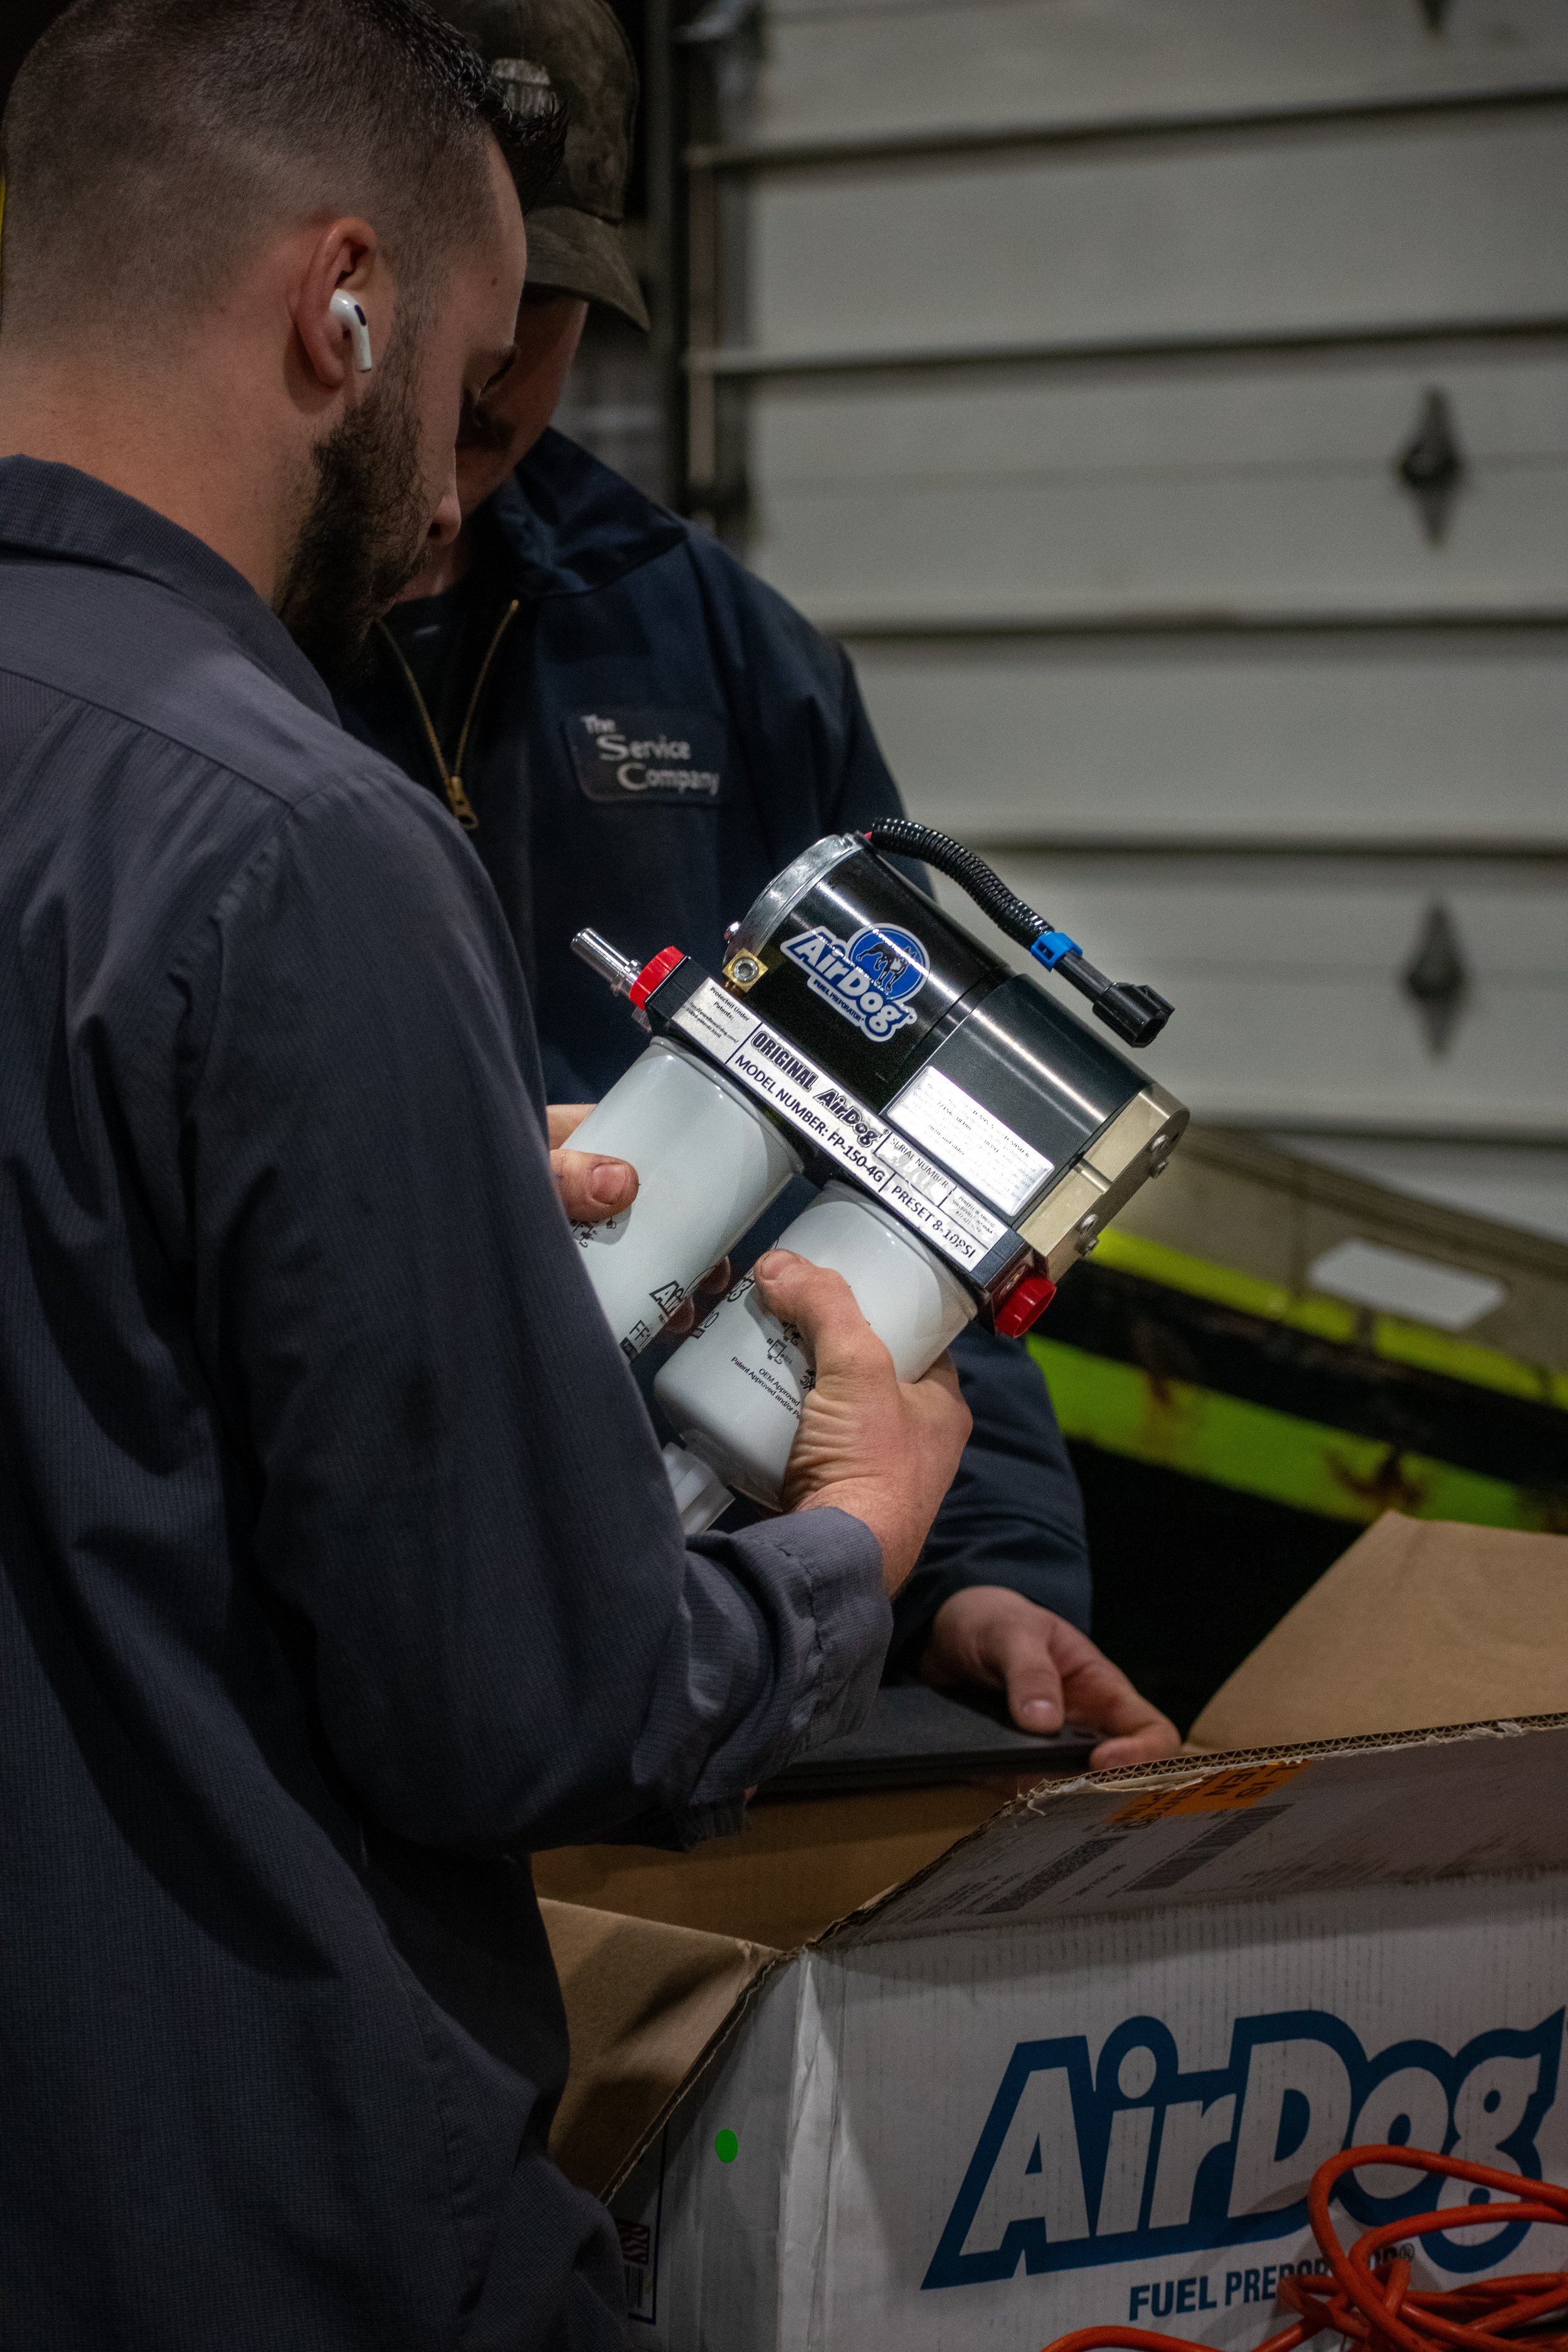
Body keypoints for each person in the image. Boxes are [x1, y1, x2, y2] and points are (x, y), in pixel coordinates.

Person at [0, 3, 972, 2344]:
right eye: (451, 388)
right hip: (246, 2224)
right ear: (339, 307)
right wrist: (859, 1540)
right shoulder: (300, 835)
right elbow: (521, 1702)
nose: (462, 490)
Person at [338, 0, 1180, 1764]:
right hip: (347, 1635)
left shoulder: (708, 648)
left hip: (710, 1632)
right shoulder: (161, 675)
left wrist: (974, 1577)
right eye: (456, 303)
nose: (494, 380)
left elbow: (930, 1182)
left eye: (542, 312)